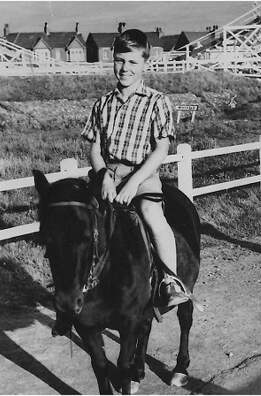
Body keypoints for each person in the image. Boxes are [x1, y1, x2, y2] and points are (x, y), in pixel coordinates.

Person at [81, 29, 189, 307]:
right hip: (107, 173)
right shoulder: (102, 104)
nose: (124, 68)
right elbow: (94, 147)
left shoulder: (156, 101)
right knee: (78, 217)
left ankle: (170, 281)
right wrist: (104, 175)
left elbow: (161, 149)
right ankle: (75, 281)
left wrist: (132, 183)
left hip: (142, 174)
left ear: (144, 63)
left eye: (132, 62)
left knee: (151, 215)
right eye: (119, 61)